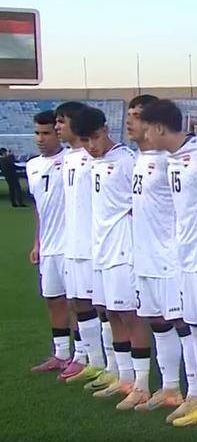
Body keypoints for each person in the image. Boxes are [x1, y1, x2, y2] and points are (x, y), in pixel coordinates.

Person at [141, 99, 197, 428]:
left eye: (147, 129)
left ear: (160, 128)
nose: (145, 135)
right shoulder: (170, 160)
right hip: (184, 259)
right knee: (195, 330)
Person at [71, 106, 154, 410]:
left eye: (94, 138)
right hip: (101, 250)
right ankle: (124, 376)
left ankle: (142, 385)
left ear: (105, 130)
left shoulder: (126, 161)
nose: (90, 146)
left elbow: (142, 205)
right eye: (84, 141)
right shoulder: (94, 162)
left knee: (131, 315)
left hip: (123, 250)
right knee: (111, 313)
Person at [125, 94, 197, 416]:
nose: (132, 123)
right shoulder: (137, 159)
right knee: (157, 322)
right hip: (145, 256)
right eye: (130, 116)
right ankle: (169, 387)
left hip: (171, 257)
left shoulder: (173, 160)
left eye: (138, 117)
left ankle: (196, 392)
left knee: (182, 323)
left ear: (155, 124)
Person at [55, 101, 111, 388]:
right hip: (73, 244)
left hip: (94, 245)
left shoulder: (95, 158)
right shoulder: (68, 157)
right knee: (78, 303)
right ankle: (92, 360)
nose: (57, 127)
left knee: (102, 306)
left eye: (61, 121)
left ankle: (112, 364)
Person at [25, 110, 76, 375]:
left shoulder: (72, 160)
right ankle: (61, 353)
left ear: (58, 133)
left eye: (46, 133)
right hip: (49, 246)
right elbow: (39, 207)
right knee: (53, 298)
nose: (40, 139)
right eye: (37, 133)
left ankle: (84, 355)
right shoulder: (32, 165)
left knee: (76, 302)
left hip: (71, 245)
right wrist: (37, 242)